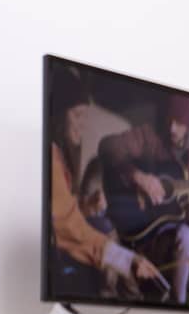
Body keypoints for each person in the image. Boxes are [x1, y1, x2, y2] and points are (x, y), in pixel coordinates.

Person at [99, 93, 189, 307]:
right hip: (156, 233)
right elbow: (107, 146)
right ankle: (178, 305)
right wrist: (139, 177)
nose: (172, 128)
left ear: (188, 123)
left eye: (178, 122)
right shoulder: (149, 137)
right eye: (169, 120)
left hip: (186, 227)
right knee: (184, 234)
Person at [46, 66, 164, 298]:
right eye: (77, 115)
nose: (83, 125)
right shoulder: (51, 157)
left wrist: (85, 206)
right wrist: (127, 259)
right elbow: (70, 229)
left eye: (85, 116)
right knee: (106, 230)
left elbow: (61, 215)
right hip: (68, 256)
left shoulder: (59, 155)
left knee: (102, 224)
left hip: (81, 244)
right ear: (58, 115)